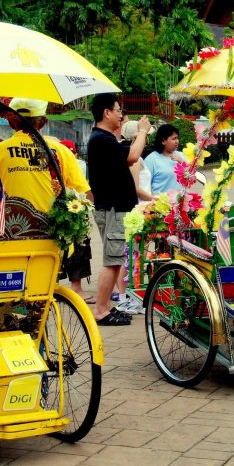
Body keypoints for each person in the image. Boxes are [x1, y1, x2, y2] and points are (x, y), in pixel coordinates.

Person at [87, 93, 151, 326]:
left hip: (116, 208)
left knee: (115, 260)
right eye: (118, 110)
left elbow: (127, 155)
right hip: (112, 209)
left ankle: (106, 307)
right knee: (112, 260)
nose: (121, 115)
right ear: (106, 112)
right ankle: (101, 310)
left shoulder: (105, 140)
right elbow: (133, 156)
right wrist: (143, 131)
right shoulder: (101, 139)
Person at [0, 98, 89, 215]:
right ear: (43, 121)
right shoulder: (62, 151)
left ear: (11, 122)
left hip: (9, 229)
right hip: (50, 228)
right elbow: (84, 194)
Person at [57, 138, 94, 302]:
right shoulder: (70, 163)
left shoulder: (76, 164)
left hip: (72, 208)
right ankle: (70, 287)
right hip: (66, 209)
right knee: (70, 249)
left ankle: (73, 287)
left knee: (77, 249)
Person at [143, 123, 185, 196]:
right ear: (163, 141)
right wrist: (154, 202)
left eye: (177, 138)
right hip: (159, 205)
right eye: (173, 138)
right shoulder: (151, 160)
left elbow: (192, 177)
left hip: (179, 204)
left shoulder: (181, 156)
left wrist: (182, 162)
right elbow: (145, 185)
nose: (177, 141)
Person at [121, 120, 153, 201]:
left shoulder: (136, 158)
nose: (146, 140)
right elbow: (136, 188)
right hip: (139, 206)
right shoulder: (134, 160)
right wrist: (156, 200)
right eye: (145, 136)